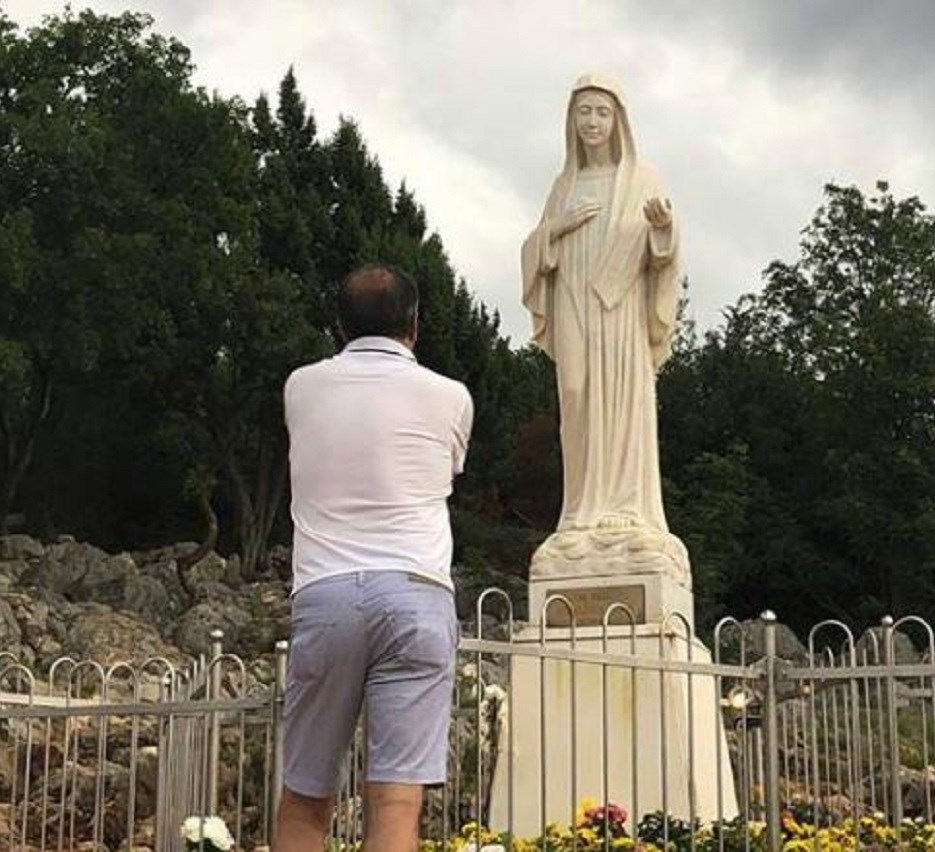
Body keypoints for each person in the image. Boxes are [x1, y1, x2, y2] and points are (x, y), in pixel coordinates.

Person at [275, 264, 474, 852]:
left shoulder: (300, 386)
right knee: (395, 802)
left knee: (306, 796)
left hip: (327, 592)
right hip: (416, 592)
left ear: (340, 323)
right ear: (415, 323)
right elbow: (448, 471)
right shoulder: (452, 397)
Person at [521, 73, 684, 565]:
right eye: (583, 111)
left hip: (621, 306)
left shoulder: (642, 177)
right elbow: (535, 251)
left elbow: (665, 251)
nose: (592, 121)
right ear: (570, 119)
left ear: (619, 121)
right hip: (572, 298)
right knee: (575, 394)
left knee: (622, 397)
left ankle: (625, 508)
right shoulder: (563, 184)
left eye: (601, 112)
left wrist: (663, 228)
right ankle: (580, 509)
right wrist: (557, 227)